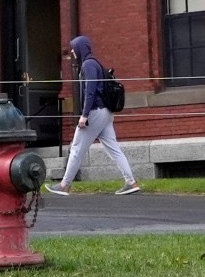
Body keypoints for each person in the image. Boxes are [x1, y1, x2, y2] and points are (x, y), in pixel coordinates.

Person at [47, 35, 139, 195]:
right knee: (114, 149)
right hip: (106, 113)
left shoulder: (88, 65)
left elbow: (90, 90)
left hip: (95, 112)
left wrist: (84, 115)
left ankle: (64, 185)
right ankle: (131, 182)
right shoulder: (96, 63)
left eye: (74, 48)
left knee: (76, 148)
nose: (73, 52)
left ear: (81, 48)